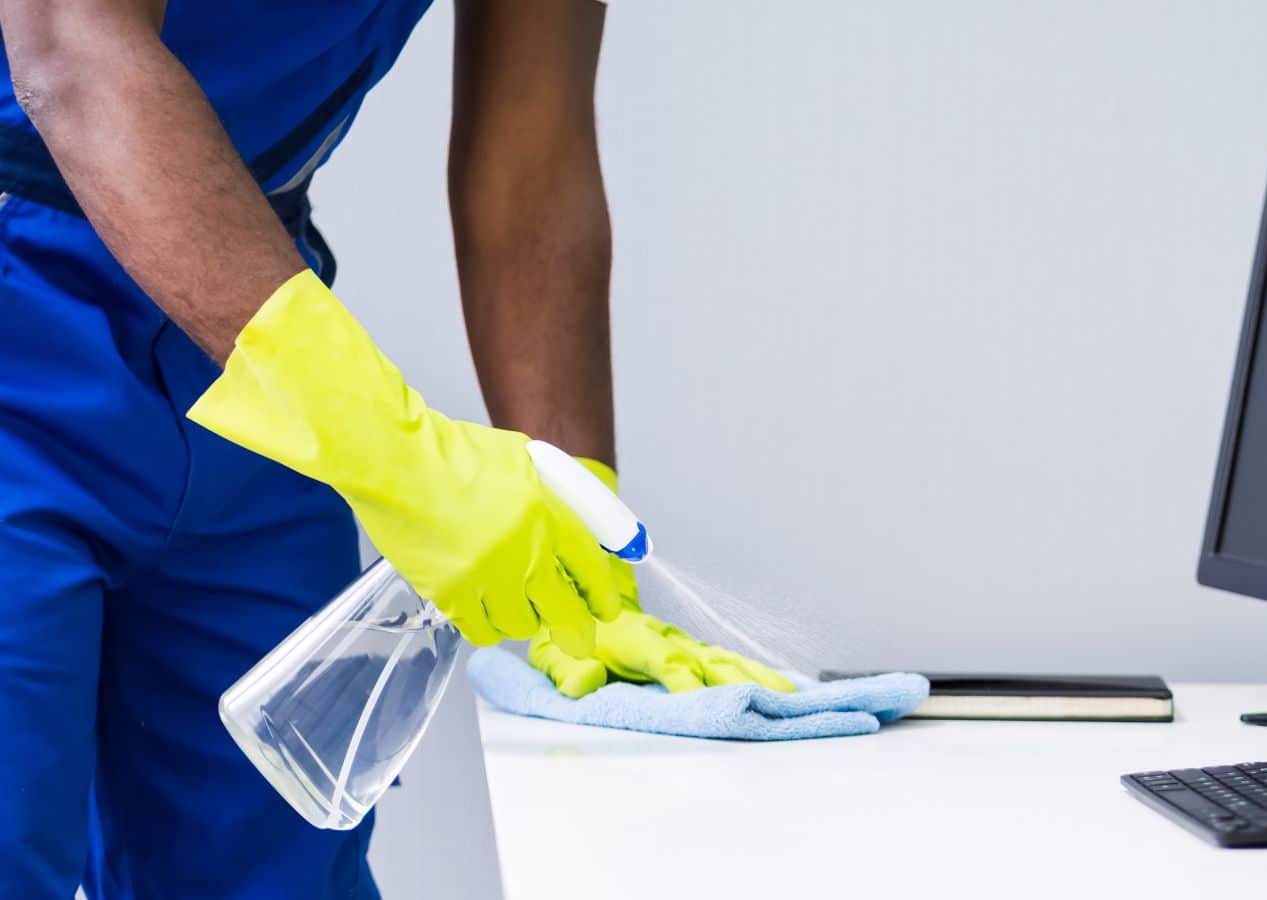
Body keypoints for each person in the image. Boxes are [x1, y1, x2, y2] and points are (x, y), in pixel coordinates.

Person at [0, 1, 789, 897]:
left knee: (276, 864)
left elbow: (530, 145)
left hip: (243, 321)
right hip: (59, 312)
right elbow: (69, 45)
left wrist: (580, 532)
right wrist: (389, 447)